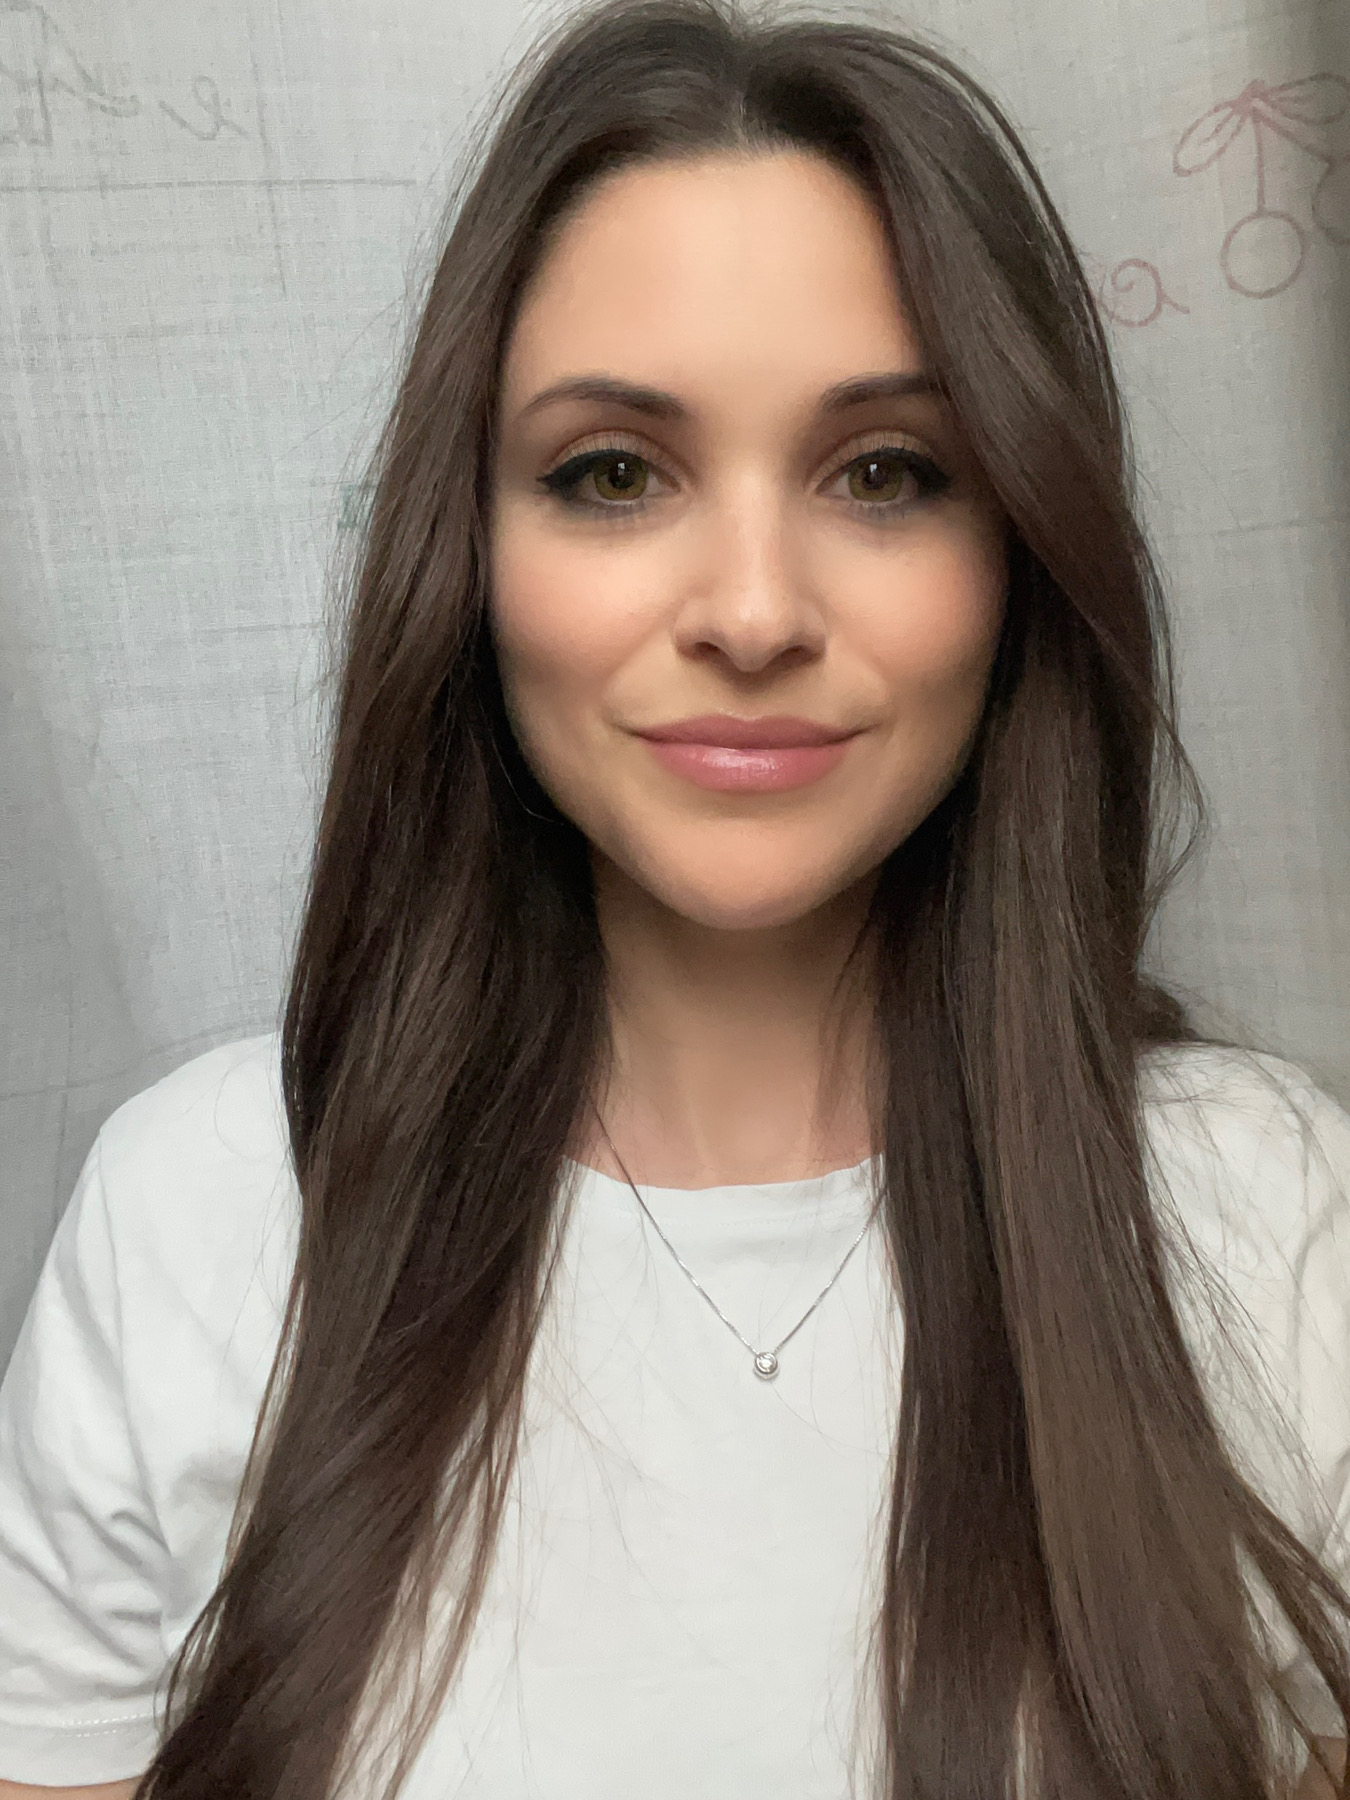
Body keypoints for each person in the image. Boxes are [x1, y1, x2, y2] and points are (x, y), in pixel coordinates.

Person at [1, 0, 1347, 1794]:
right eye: (614, 474)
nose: (753, 610)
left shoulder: (1267, 1216)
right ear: (470, 555)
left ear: (1018, 549)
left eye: (885, 473)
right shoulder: (202, 1217)